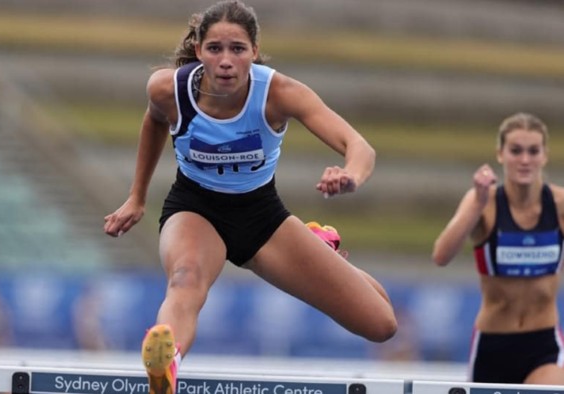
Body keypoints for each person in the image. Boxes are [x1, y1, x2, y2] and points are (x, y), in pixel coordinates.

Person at [103, 1, 397, 393]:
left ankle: (318, 247)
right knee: (186, 280)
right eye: (215, 49)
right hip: (195, 208)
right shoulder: (167, 88)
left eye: (238, 49)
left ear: (254, 52)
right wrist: (136, 197)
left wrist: (350, 175)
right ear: (198, 51)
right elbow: (155, 119)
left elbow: (359, 146)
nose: (226, 61)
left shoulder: (280, 93)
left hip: (262, 218)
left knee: (381, 324)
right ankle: (166, 368)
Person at [432, 112, 564, 384]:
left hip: (543, 343)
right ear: (501, 154)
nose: (525, 160)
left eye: (532, 151)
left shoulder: (560, 204)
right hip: (493, 343)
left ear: (544, 156)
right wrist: (477, 205)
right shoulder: (484, 202)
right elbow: (441, 255)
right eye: (516, 151)